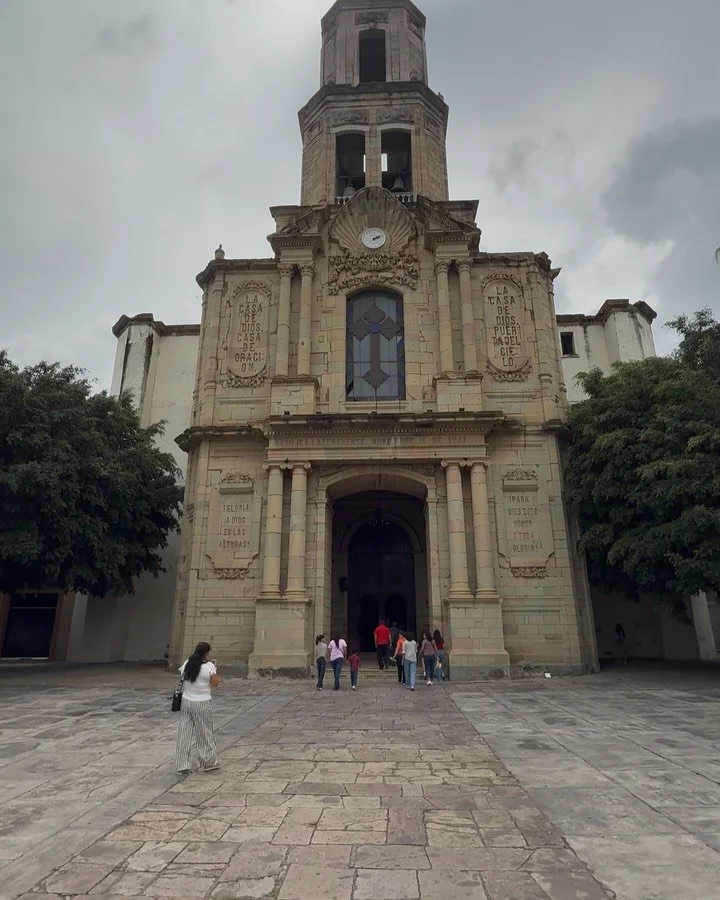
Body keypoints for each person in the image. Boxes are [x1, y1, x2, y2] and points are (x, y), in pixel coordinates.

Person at [175, 641, 220, 775]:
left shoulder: (187, 663)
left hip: (186, 702)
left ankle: (182, 764)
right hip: (201, 702)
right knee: (204, 733)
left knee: (184, 733)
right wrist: (216, 674)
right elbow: (215, 683)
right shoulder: (209, 666)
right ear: (206, 653)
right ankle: (208, 762)